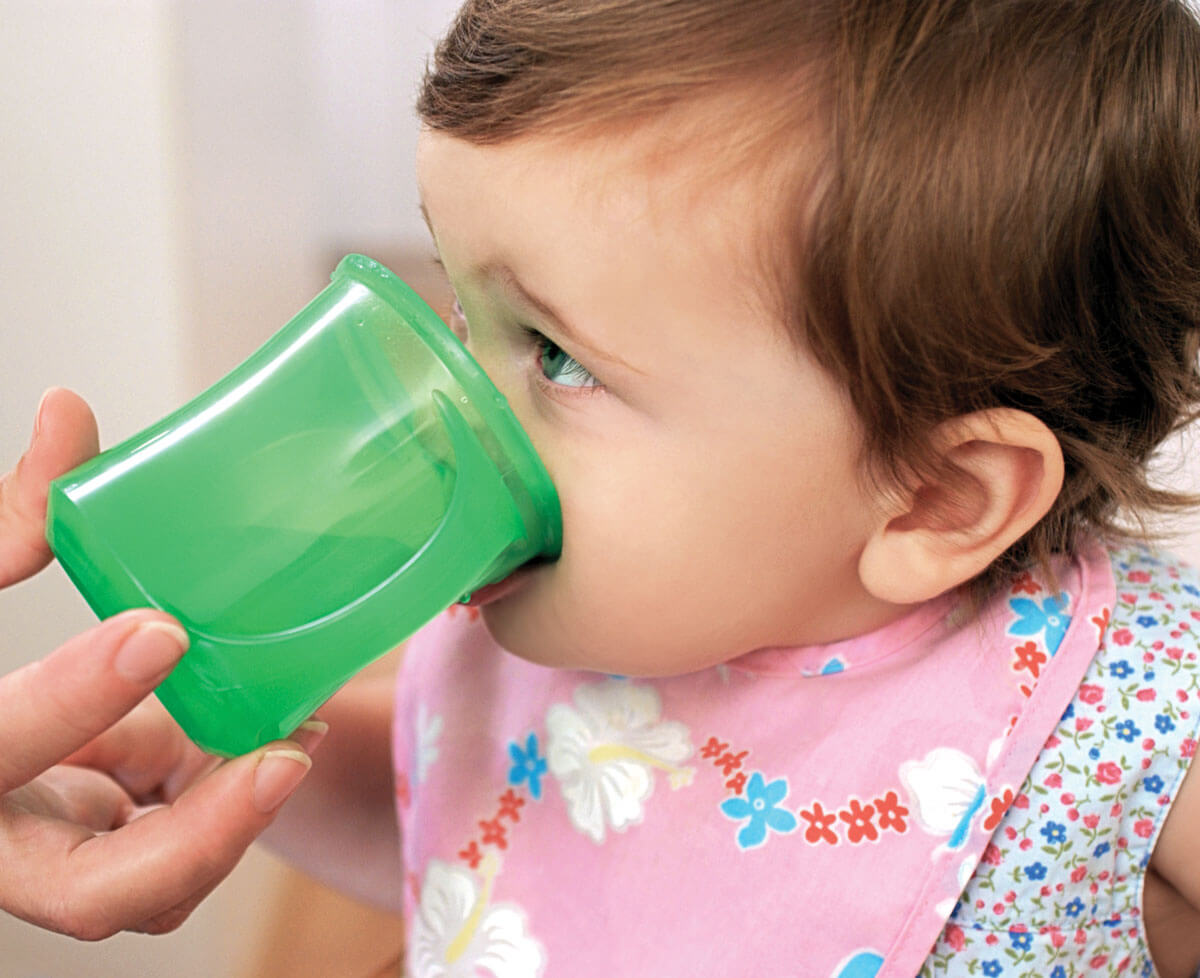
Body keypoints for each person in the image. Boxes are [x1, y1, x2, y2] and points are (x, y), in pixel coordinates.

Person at [3, 0, 1200, 975]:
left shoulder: (1126, 724)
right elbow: (496, 837)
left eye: (559, 355)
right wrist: (228, 774)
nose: (446, 408)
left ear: (934, 498)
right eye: (463, 308)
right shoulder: (574, 619)